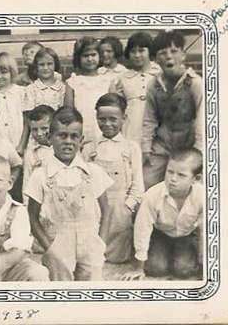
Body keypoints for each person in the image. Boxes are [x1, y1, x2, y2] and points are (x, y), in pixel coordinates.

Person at [25, 107, 113, 281]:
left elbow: (107, 210)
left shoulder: (93, 172)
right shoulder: (41, 175)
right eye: (62, 135)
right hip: (58, 243)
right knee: (61, 290)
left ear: (81, 140)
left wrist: (100, 243)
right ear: (50, 138)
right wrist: (50, 249)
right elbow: (32, 217)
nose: (68, 141)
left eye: (74, 136)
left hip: (90, 243)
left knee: (91, 290)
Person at [122, 148, 204, 280]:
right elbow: (142, 229)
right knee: (156, 268)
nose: (173, 179)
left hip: (186, 236)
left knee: (184, 270)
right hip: (160, 234)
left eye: (181, 175)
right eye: (170, 172)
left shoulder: (202, 196)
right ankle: (161, 254)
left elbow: (205, 232)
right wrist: (139, 268)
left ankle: (181, 256)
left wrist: (203, 262)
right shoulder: (152, 195)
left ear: (196, 179)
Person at [82, 93, 144, 263]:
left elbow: (138, 184)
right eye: (102, 119)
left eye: (113, 119)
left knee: (118, 260)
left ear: (124, 118)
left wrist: (128, 207)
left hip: (120, 211)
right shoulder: (89, 148)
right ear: (96, 118)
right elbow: (83, 181)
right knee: (92, 257)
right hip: (95, 209)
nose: (107, 124)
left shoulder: (131, 148)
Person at [141, 30, 203, 189]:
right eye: (162, 53)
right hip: (162, 145)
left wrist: (198, 151)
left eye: (174, 51)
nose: (169, 56)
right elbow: (149, 118)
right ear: (155, 59)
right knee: (145, 181)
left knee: (188, 186)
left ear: (183, 55)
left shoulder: (195, 83)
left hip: (188, 145)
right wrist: (146, 147)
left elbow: (203, 121)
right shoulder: (153, 85)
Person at [109, 32, 161, 146]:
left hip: (156, 127)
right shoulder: (121, 79)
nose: (137, 55)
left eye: (141, 50)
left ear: (149, 51)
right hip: (131, 127)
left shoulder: (160, 75)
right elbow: (115, 109)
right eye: (133, 51)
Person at [67, 37, 111, 144]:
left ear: (99, 56)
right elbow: (68, 112)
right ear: (78, 58)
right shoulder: (72, 83)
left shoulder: (108, 81)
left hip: (103, 131)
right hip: (81, 133)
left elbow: (113, 109)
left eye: (93, 55)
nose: (90, 59)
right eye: (85, 56)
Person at [22, 104, 54, 201]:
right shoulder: (31, 153)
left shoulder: (60, 148)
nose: (39, 134)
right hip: (40, 202)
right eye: (34, 130)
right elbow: (27, 183)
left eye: (44, 128)